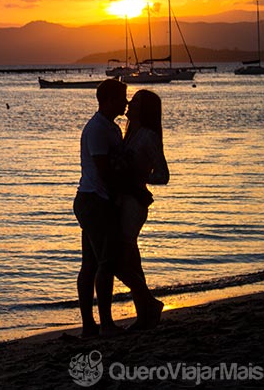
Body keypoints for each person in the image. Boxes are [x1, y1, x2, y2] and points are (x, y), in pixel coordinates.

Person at [73, 79, 162, 338]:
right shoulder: (97, 130)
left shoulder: (112, 129)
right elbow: (104, 172)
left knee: (93, 263)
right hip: (94, 201)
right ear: (110, 100)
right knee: (105, 263)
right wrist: (134, 187)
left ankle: (93, 326)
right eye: (123, 98)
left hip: (101, 201)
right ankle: (108, 322)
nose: (126, 103)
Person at [114, 89, 169, 330]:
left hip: (134, 204)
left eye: (134, 101)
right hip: (122, 200)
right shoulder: (130, 132)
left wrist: (139, 177)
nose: (129, 103)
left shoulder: (148, 136)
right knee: (131, 260)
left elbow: (163, 175)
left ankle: (148, 305)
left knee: (121, 257)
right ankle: (145, 313)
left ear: (143, 108)